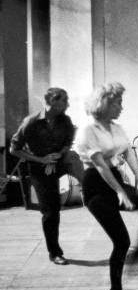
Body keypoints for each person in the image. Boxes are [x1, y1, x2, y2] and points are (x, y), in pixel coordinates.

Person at [75, 82, 138, 290]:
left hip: (115, 179)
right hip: (96, 187)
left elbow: (128, 151)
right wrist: (121, 192)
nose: (121, 107)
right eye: (118, 102)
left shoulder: (116, 128)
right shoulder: (87, 132)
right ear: (104, 104)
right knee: (121, 242)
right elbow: (100, 166)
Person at [10, 87, 84, 265]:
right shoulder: (31, 122)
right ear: (49, 103)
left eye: (65, 103)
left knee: (78, 162)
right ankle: (55, 253)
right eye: (61, 103)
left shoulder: (65, 120)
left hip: (59, 161)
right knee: (51, 211)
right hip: (39, 167)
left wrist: (59, 155)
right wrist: (42, 160)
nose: (65, 107)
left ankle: (93, 193)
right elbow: (14, 149)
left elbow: (68, 142)